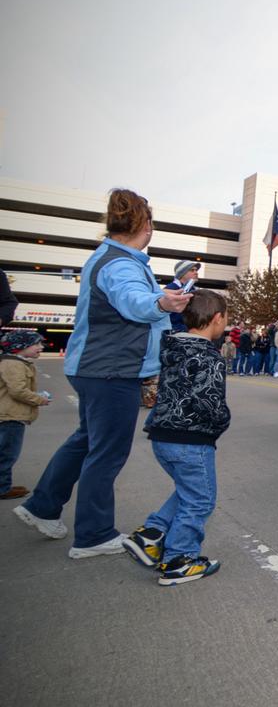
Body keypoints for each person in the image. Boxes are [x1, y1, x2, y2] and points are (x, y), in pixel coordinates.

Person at [13, 188, 191, 557]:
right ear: (145, 224)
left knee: (87, 441)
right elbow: (132, 300)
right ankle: (93, 534)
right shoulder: (121, 263)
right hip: (110, 369)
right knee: (107, 451)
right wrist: (161, 301)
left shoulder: (112, 257)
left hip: (98, 367)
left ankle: (43, 506)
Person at [121, 288, 230, 585]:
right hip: (191, 440)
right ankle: (179, 559)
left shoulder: (172, 347)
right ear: (217, 319)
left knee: (188, 490)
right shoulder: (210, 357)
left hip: (162, 436)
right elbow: (210, 402)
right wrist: (222, 421)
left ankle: (152, 534)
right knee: (200, 500)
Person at [0, 330, 51, 500]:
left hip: (8, 415)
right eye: (36, 344)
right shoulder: (14, 365)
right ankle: (2, 488)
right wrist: (39, 399)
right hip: (10, 417)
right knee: (7, 454)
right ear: (19, 347)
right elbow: (17, 390)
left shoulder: (14, 362)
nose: (40, 347)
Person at [164, 260, 200, 332]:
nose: (196, 272)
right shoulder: (169, 289)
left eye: (196, 270)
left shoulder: (195, 290)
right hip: (175, 333)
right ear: (182, 273)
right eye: (192, 270)